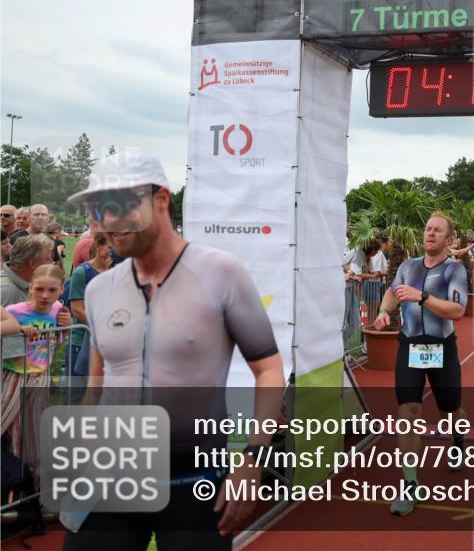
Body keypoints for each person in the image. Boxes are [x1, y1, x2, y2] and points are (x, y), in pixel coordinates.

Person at [63, 153, 284, 550]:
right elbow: (97, 384)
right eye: (98, 210)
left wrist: (252, 462)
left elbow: (268, 371)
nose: (106, 221)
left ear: (161, 200)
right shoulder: (98, 289)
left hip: (195, 483)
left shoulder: (221, 272)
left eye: (118, 206)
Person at [372, 213, 468, 517]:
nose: (430, 233)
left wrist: (422, 297)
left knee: (449, 409)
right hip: (411, 345)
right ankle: (410, 483)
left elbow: (456, 311)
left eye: (438, 230)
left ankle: (458, 439)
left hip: (442, 346)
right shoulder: (408, 266)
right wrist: (384, 311)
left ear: (449, 240)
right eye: (428, 228)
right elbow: (392, 293)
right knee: (408, 411)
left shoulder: (454, 269)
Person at [1, 264, 72, 472]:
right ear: (30, 288)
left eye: (52, 290)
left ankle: (29, 477)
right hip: (14, 377)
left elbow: (54, 344)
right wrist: (19, 330)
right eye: (39, 289)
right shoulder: (14, 311)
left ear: (61, 290)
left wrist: (66, 328)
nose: (44, 295)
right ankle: (13, 473)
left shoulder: (59, 310)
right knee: (12, 426)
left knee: (33, 430)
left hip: (41, 377)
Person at [65, 231, 113, 377]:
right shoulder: (82, 272)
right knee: (77, 392)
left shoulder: (118, 272)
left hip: (109, 343)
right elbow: (78, 310)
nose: (115, 252)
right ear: (98, 246)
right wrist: (104, 327)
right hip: (80, 341)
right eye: (111, 247)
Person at [1, 234, 54, 305]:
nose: (52, 263)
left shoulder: (25, 283)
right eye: (47, 259)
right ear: (32, 264)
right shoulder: (6, 291)